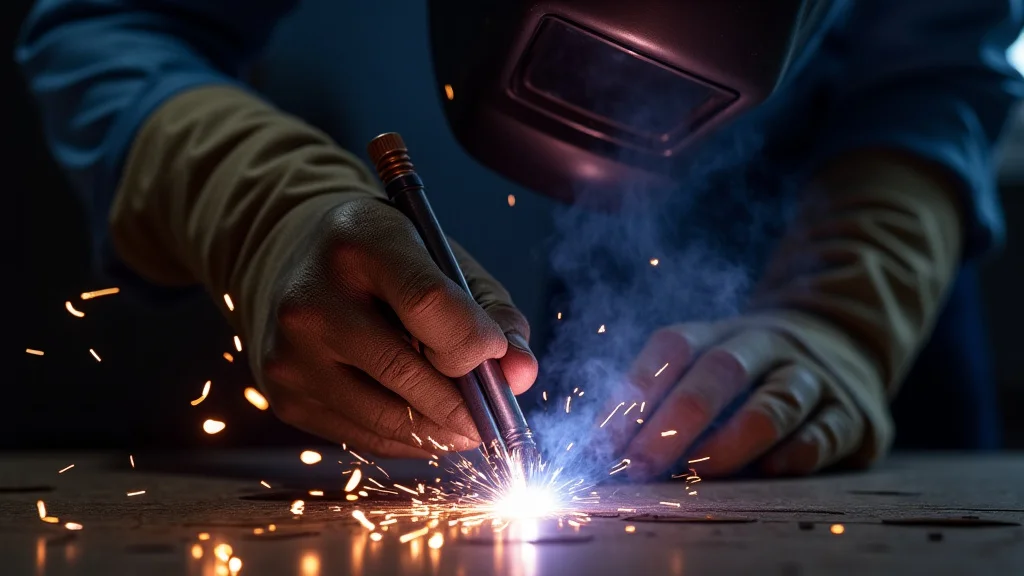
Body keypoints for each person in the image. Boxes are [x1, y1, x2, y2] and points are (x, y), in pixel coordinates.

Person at [16, 1, 1023, 477]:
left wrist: (842, 311)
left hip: (814, 384)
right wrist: (263, 206)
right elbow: (109, 24)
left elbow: (934, 75)